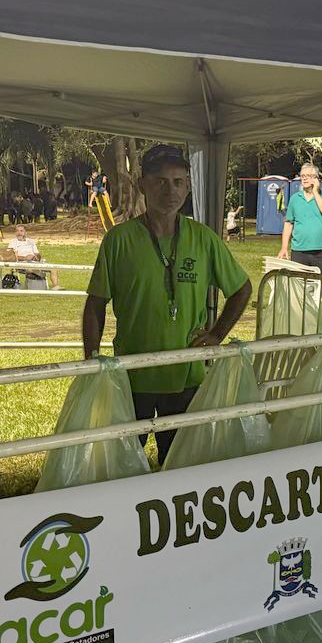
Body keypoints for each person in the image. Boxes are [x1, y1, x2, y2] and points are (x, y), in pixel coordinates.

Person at [83, 143, 252, 463]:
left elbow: (241, 289)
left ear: (188, 188)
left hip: (186, 375)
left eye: (178, 182)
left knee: (181, 462)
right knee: (121, 462)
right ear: (142, 185)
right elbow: (95, 304)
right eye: (160, 181)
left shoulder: (204, 239)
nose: (169, 190)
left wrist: (217, 334)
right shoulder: (119, 241)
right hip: (133, 375)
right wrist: (91, 359)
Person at [278, 163, 322, 275]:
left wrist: (315, 192)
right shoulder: (295, 198)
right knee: (299, 288)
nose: (304, 179)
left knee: (320, 288)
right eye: (302, 176)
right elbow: (288, 223)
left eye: (308, 176)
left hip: (321, 252)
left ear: (316, 178)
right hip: (299, 251)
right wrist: (284, 247)